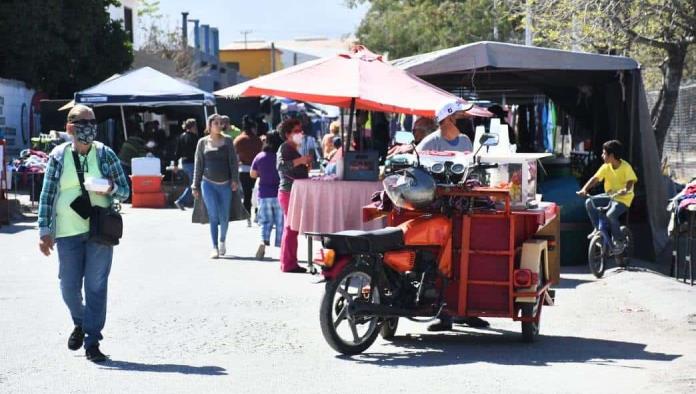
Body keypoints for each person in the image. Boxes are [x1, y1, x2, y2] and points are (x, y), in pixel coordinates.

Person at [37, 104, 130, 363]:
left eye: (92, 121)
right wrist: (45, 230)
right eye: (82, 122)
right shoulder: (58, 155)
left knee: (96, 286)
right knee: (68, 286)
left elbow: (124, 190)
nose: (88, 126)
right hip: (67, 232)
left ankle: (92, 341)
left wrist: (109, 187)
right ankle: (80, 323)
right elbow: (47, 195)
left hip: (100, 231)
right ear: (70, 127)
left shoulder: (105, 154)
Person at [421, 100, 489, 332]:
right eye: (460, 118)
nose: (464, 123)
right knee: (442, 260)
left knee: (469, 258)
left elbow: (472, 171)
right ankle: (444, 313)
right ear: (447, 120)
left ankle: (469, 311)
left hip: (465, 207)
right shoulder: (430, 142)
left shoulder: (466, 141)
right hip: (439, 209)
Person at [192, 114, 240, 259]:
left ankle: (222, 241)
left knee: (224, 216)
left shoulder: (228, 141)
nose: (220, 125)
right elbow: (198, 164)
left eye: (221, 123)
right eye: (216, 123)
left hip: (225, 183)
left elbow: (233, 162)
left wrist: (235, 179)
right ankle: (214, 247)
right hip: (207, 183)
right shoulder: (202, 142)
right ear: (210, 125)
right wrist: (195, 184)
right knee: (213, 216)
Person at [577, 140, 637, 253]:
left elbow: (630, 181)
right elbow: (595, 179)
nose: (602, 155)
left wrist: (625, 190)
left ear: (612, 156)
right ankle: (597, 229)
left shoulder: (625, 167)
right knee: (589, 203)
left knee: (610, 215)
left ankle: (619, 240)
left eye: (604, 153)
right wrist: (584, 189)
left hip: (623, 199)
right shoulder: (606, 166)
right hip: (609, 196)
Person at [277, 119, 312, 273]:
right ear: (287, 134)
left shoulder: (293, 148)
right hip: (288, 192)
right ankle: (288, 263)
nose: (300, 133)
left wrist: (305, 165)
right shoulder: (285, 148)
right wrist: (301, 160)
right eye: (296, 131)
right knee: (291, 228)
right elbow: (281, 166)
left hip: (293, 191)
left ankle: (289, 262)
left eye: (300, 130)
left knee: (291, 228)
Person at [251, 142, 283, 259]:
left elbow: (253, 174)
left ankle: (263, 242)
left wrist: (262, 174)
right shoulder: (279, 157)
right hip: (279, 193)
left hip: (264, 194)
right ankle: (282, 249)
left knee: (265, 222)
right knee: (281, 223)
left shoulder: (259, 156)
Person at [234, 115, 263, 226]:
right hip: (257, 171)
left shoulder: (238, 140)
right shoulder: (258, 140)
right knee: (257, 194)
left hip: (243, 170)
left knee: (246, 194)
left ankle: (247, 218)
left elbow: (235, 158)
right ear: (252, 128)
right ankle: (256, 215)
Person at [174, 118, 200, 210]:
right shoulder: (194, 137)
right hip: (193, 163)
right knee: (194, 184)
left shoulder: (181, 136)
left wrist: (176, 164)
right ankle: (181, 201)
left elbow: (177, 152)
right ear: (193, 126)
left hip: (184, 163)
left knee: (193, 183)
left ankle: (193, 202)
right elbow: (197, 152)